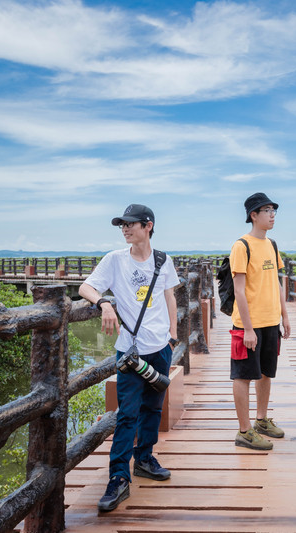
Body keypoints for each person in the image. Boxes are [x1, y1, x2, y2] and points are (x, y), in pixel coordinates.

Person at [78, 204, 180, 513]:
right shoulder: (114, 260)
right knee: (127, 415)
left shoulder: (163, 260)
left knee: (152, 408)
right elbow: (86, 287)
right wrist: (105, 302)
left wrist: (172, 337)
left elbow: (169, 297)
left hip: (160, 347)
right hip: (130, 351)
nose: (125, 228)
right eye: (122, 224)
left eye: (130, 224)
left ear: (148, 225)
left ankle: (145, 459)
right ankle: (118, 478)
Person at [229, 192, 291, 450]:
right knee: (243, 376)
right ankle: (244, 431)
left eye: (273, 210)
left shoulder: (271, 244)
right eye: (266, 210)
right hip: (248, 325)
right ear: (253, 215)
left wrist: (285, 316)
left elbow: (276, 282)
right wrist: (249, 329)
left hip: (270, 322)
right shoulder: (241, 246)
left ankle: (262, 420)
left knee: (266, 374)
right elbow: (239, 290)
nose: (272, 214)